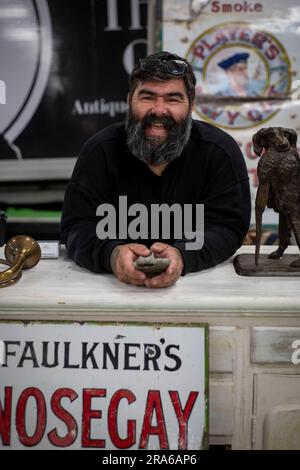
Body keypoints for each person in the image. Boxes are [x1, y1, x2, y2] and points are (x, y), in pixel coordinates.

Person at [61, 51, 251, 288]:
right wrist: (112, 255)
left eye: (173, 99)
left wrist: (182, 256)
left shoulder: (219, 152)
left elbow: (228, 227)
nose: (159, 110)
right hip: (109, 292)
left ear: (191, 105)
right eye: (147, 97)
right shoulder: (100, 152)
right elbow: (76, 228)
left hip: (199, 289)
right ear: (130, 100)